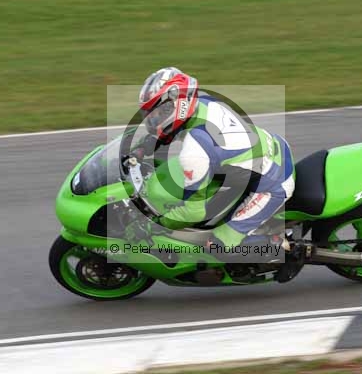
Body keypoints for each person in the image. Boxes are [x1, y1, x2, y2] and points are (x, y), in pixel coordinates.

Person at [127, 67, 298, 281]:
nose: (151, 120)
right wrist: (144, 147)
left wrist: (154, 224)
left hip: (272, 183)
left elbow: (194, 213)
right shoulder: (203, 101)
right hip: (272, 149)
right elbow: (170, 133)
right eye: (149, 114)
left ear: (176, 105)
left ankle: (285, 249)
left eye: (157, 113)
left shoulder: (195, 152)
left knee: (217, 246)